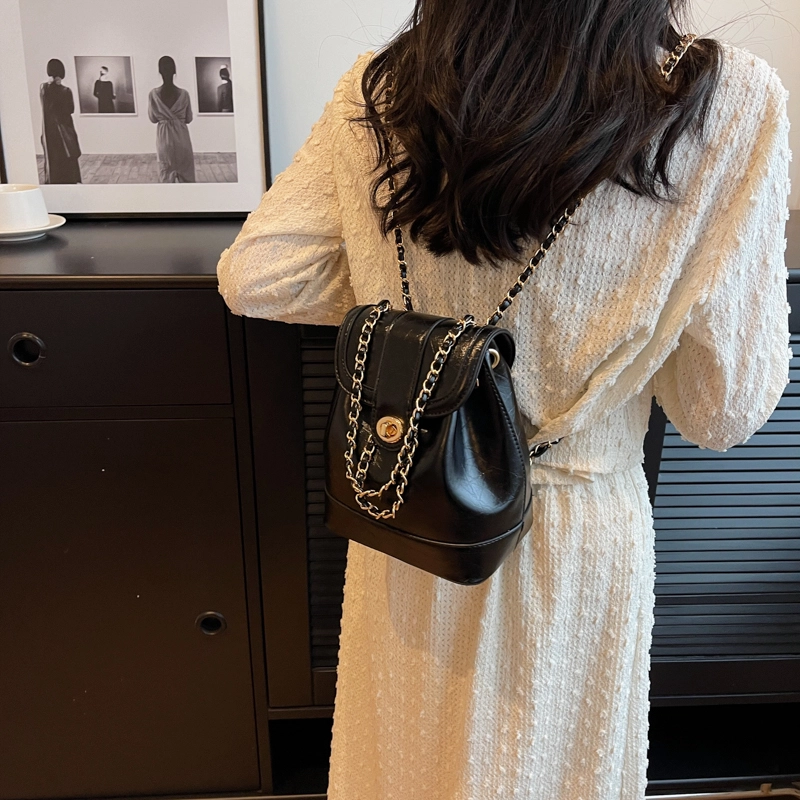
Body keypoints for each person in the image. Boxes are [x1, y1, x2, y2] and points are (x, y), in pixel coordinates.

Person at [217, 0, 792, 797]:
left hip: (408, 508)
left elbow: (259, 276)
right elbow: (721, 408)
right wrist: (627, 321)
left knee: (405, 764)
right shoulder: (724, 101)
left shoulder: (384, 88)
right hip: (570, 539)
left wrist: (430, 340)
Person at [148, 56, 195, 183]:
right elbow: (189, 118)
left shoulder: (153, 94)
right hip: (182, 139)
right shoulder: (184, 94)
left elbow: (152, 119)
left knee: (166, 178)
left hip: (164, 140)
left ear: (159, 72)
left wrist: (164, 117)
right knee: (187, 179)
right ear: (175, 71)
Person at [40, 58, 81, 184]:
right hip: (65, 128)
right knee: (68, 157)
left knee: (54, 158)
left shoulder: (43, 88)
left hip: (49, 131)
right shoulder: (66, 90)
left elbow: (47, 105)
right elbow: (71, 109)